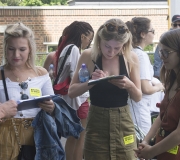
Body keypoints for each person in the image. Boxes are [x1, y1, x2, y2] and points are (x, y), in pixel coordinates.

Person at [68, 18, 142, 160]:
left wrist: (129, 85)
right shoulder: (89, 56)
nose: (111, 52)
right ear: (99, 40)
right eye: (107, 46)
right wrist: (91, 82)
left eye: (117, 48)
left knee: (128, 156)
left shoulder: (130, 57)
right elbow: (72, 92)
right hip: (96, 119)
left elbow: (138, 97)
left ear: (124, 44)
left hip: (123, 119)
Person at [0, 22, 55, 160]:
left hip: (37, 135)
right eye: (11, 49)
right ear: (5, 49)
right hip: (5, 135)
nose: (16, 54)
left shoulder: (41, 73)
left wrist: (51, 107)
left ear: (30, 50)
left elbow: (53, 108)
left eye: (22, 49)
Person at [134, 28, 180, 160]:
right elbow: (162, 117)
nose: (161, 56)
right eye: (160, 52)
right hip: (164, 149)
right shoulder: (174, 80)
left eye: (166, 52)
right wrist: (146, 141)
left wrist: (151, 152)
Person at [51, 21, 94, 160]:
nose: (89, 42)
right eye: (90, 39)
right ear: (82, 36)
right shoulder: (74, 49)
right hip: (77, 100)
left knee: (73, 136)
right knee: (78, 137)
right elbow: (76, 76)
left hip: (69, 99)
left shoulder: (65, 47)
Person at [126, 17, 165, 135]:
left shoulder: (131, 52)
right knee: (142, 145)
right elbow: (145, 88)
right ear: (143, 34)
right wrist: (161, 86)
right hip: (139, 108)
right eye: (152, 31)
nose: (153, 34)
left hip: (133, 107)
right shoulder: (140, 56)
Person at [153, 14, 180, 79]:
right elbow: (158, 56)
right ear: (171, 25)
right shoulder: (165, 37)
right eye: (175, 25)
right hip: (167, 70)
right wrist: (157, 73)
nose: (177, 27)